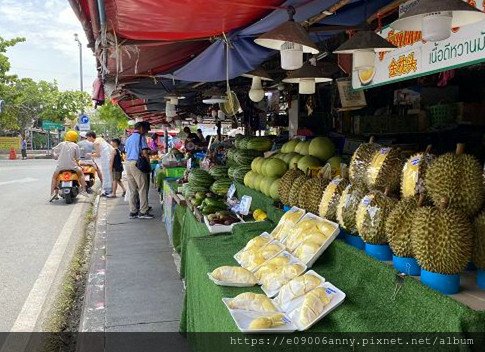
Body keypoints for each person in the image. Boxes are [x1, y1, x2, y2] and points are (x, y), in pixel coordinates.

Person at [124, 122, 153, 219]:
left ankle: (133, 211)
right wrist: (148, 165)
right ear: (141, 128)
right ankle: (143, 211)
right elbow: (144, 153)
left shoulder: (129, 138)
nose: (147, 131)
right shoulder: (141, 137)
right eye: (146, 129)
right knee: (142, 188)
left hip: (128, 164)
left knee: (132, 189)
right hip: (137, 164)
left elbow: (127, 152)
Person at [50, 130, 88, 201]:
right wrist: (79, 165)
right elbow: (77, 158)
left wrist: (54, 155)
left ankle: (53, 193)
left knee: (54, 177)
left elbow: (54, 152)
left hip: (60, 167)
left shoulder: (61, 144)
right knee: (81, 174)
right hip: (72, 166)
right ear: (75, 138)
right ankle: (84, 190)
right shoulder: (76, 145)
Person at [86, 131, 115, 196]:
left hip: (105, 160)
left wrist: (90, 154)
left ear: (90, 137)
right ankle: (109, 190)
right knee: (108, 174)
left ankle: (108, 190)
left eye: (87, 137)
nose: (87, 139)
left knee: (106, 175)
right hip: (108, 158)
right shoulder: (100, 139)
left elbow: (98, 154)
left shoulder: (95, 143)